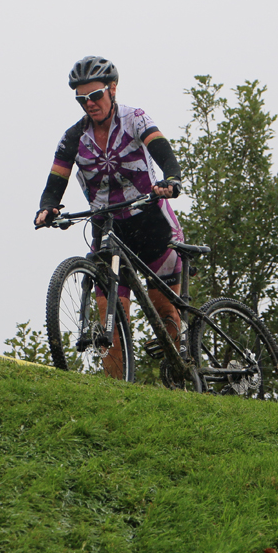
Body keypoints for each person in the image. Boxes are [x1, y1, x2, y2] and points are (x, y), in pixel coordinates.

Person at [35, 56, 184, 379]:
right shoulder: (73, 136)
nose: (89, 104)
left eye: (95, 96)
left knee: (164, 311)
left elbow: (161, 149)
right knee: (109, 315)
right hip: (107, 225)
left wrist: (171, 178)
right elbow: (56, 178)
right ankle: (118, 391)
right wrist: (48, 206)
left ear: (112, 89)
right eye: (81, 99)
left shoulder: (135, 119)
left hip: (150, 220)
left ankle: (180, 373)